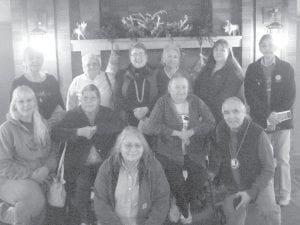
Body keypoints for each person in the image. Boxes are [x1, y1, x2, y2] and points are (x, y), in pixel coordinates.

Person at [141, 75, 215, 224]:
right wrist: (174, 133)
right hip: (168, 151)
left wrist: (192, 131)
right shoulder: (162, 102)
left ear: (188, 89)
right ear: (169, 89)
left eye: (183, 87)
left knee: (200, 176)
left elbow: (210, 121)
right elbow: (151, 126)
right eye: (177, 87)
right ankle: (184, 210)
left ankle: (178, 203)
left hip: (193, 151)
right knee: (177, 182)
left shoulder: (195, 101)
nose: (181, 91)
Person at [52, 84, 125, 225]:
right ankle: (84, 220)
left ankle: (104, 219)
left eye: (93, 98)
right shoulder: (73, 114)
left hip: (103, 163)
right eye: (85, 98)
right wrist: (78, 132)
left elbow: (120, 125)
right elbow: (55, 133)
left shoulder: (107, 113)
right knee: (80, 189)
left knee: (107, 188)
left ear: (99, 99)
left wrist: (97, 128)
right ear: (80, 99)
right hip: (79, 165)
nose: (89, 101)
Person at [208, 97, 281, 225]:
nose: (231, 117)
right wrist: (212, 172)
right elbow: (218, 154)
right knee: (232, 218)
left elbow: (269, 168)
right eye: (226, 113)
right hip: (233, 184)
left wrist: (251, 192)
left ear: (245, 112)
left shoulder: (258, 133)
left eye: (236, 111)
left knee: (269, 211)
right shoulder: (220, 129)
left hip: (258, 180)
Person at [245, 34, 296, 206]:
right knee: (263, 159)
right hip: (261, 121)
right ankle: (264, 193)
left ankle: (283, 194)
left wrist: (275, 115)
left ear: (275, 47)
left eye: (270, 45)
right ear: (260, 48)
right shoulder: (252, 69)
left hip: (282, 121)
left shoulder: (286, 67)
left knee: (282, 159)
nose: (267, 48)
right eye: (263, 45)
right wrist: (267, 114)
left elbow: (290, 96)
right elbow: (250, 96)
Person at [0, 85, 57, 225]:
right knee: (33, 198)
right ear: (14, 104)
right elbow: (3, 164)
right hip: (12, 178)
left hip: (42, 175)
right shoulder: (6, 129)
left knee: (49, 198)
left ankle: (9, 214)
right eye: (21, 101)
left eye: (29, 100)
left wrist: (46, 169)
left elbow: (53, 152)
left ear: (35, 102)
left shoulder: (43, 124)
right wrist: (31, 174)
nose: (26, 105)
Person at [93, 126, 170, 225]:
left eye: (138, 145)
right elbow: (101, 202)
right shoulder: (107, 167)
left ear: (143, 148)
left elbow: (161, 200)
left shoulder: (154, 167)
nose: (133, 150)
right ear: (119, 147)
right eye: (128, 145)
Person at [194, 39, 244, 123]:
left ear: (228, 53)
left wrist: (206, 111)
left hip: (223, 115)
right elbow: (197, 87)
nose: (218, 52)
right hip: (203, 112)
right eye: (216, 50)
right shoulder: (207, 68)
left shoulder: (234, 72)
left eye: (222, 50)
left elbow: (226, 96)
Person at [11, 47, 65, 126]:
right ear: (24, 61)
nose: (35, 61)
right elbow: (14, 109)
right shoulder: (18, 82)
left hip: (52, 127)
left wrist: (50, 124)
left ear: (43, 60)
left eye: (39, 58)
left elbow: (60, 105)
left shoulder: (51, 80)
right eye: (31, 58)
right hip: (28, 127)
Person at [114, 42, 158, 127]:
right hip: (128, 118)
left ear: (146, 56)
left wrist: (147, 108)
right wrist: (133, 110)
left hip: (151, 117)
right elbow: (117, 97)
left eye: (141, 54)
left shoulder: (156, 72)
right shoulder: (121, 74)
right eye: (134, 54)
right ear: (130, 58)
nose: (138, 57)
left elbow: (160, 95)